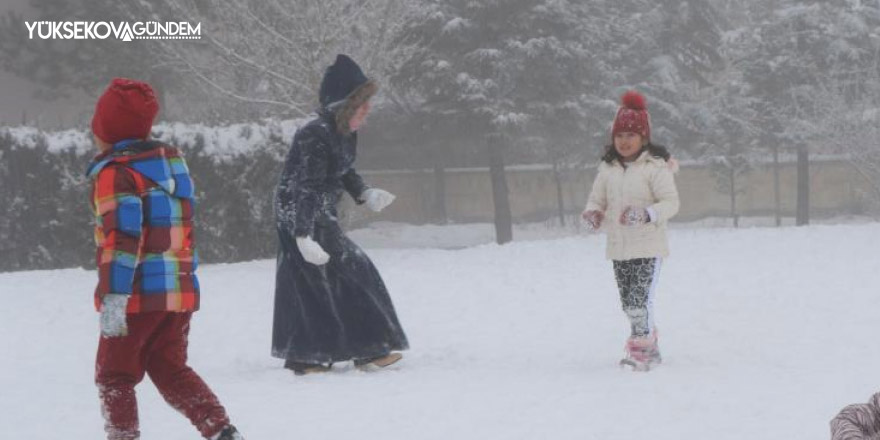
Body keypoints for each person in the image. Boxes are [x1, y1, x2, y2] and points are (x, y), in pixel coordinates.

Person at [87, 78, 244, 440]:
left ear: (107, 130)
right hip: (178, 295)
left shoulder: (115, 174)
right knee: (170, 368)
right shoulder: (172, 168)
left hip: (137, 295)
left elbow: (123, 238)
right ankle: (221, 430)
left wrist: (114, 296)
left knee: (114, 375)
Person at [272, 54, 409, 375]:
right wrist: (303, 236)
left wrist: (364, 192)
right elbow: (306, 186)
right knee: (333, 274)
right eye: (363, 104)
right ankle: (331, 353)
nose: (368, 109)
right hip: (299, 210)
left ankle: (332, 352)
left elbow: (343, 170)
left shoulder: (341, 132)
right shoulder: (314, 134)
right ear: (345, 106)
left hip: (317, 208)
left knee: (339, 274)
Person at [582, 90, 680, 371]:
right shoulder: (608, 169)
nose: (624, 141)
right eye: (619, 135)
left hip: (649, 247)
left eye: (631, 135)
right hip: (619, 248)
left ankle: (643, 352)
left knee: (639, 301)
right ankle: (649, 342)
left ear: (644, 138)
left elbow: (671, 203)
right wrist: (593, 213)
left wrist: (646, 214)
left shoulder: (655, 168)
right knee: (629, 304)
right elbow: (596, 199)